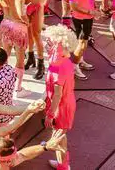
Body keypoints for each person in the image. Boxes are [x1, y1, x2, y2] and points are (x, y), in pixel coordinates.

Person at [42, 25, 77, 170]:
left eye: (51, 43)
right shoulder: (65, 61)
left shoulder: (59, 68)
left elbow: (57, 95)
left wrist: (50, 115)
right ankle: (62, 164)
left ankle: (64, 167)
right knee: (60, 136)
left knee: (58, 137)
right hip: (63, 103)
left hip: (61, 107)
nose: (47, 45)